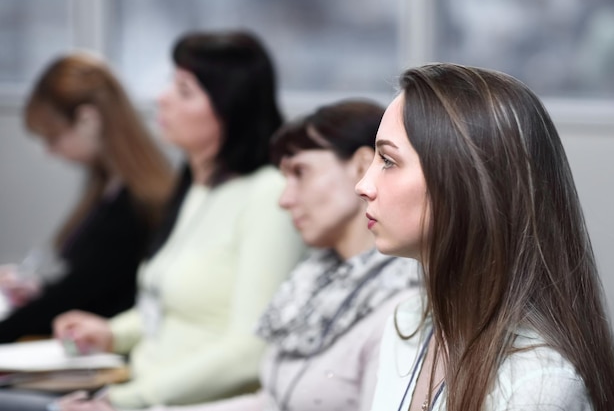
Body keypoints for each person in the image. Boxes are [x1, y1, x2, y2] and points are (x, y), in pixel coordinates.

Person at [0, 30, 305, 411]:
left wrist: (126, 400)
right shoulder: (197, 187)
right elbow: (164, 309)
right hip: (139, 390)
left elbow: (249, 352)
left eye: (184, 90)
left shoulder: (268, 195)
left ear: (231, 105)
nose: (162, 98)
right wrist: (110, 333)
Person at [51, 99, 421, 411]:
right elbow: (270, 401)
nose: (284, 197)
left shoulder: (401, 306)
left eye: (300, 173)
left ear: (359, 166)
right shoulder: (313, 281)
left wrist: (132, 402)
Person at [355, 63, 614, 410]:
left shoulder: (538, 386)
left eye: (388, 160)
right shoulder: (406, 325)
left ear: (463, 183)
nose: (363, 186)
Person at [0, 52, 175, 343]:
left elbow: (80, 295)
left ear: (88, 119)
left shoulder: (133, 207)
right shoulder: (109, 190)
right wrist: (38, 289)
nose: (49, 151)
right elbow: (84, 285)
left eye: (53, 137)